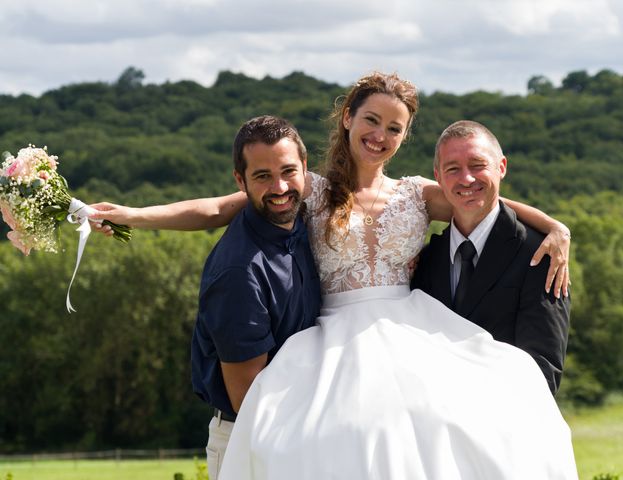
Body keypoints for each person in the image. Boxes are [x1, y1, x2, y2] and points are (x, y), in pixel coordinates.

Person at [92, 73, 577, 479]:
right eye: (371, 120)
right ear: (348, 117)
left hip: (414, 330)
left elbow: (482, 195)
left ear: (404, 136)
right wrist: (134, 215)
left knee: (467, 419)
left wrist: (555, 226)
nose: (380, 135)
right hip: (333, 339)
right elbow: (215, 209)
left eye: (394, 127)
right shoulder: (309, 189)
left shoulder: (416, 194)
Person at [190, 115, 321, 479]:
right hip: (254, 442)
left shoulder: (304, 223)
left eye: (288, 171)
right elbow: (249, 400)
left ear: (305, 170)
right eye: (263, 176)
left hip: (302, 432)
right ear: (240, 180)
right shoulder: (239, 272)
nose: (279, 187)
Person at [410, 120, 570, 395]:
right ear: (438, 177)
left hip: (504, 422)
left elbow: (543, 370)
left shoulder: (542, 254)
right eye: (453, 169)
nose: (466, 179)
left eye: (477, 165)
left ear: (502, 167)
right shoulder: (426, 260)